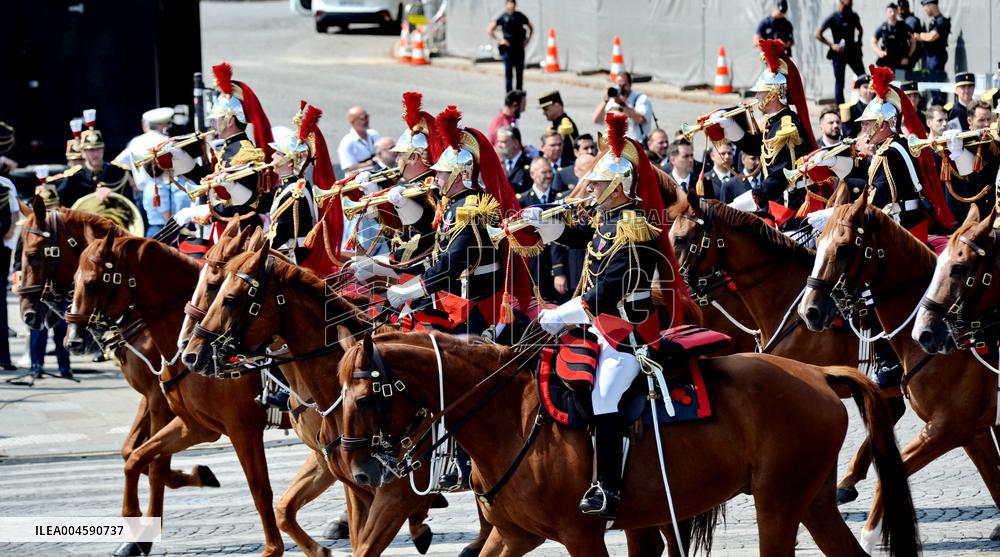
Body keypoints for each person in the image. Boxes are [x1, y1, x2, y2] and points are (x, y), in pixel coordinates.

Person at [525, 112, 691, 519]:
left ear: (618, 188)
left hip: (628, 335)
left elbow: (606, 293)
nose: (591, 189)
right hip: (600, 326)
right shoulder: (610, 219)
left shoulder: (635, 230)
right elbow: (582, 236)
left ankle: (608, 488)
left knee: (605, 394)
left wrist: (558, 314)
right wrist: (545, 227)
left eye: (599, 184)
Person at [384, 105, 528, 341]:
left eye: (441, 173)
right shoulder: (452, 204)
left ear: (458, 176)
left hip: (477, 308)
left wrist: (411, 288)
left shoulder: (473, 209)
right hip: (452, 300)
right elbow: (432, 247)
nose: (436, 177)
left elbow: (452, 262)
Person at [710, 39, 817, 222]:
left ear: (773, 95)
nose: (756, 96)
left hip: (793, 206)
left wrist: (743, 202)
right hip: (779, 201)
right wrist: (729, 125)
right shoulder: (773, 122)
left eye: (760, 93)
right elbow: (754, 147)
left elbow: (780, 176)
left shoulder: (787, 127)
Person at [202, 62, 275, 232]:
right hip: (226, 224)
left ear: (231, 120)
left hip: (242, 229)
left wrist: (212, 212)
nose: (213, 123)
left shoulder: (244, 152)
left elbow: (245, 203)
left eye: (217, 118)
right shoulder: (228, 149)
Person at [57, 110, 133, 209]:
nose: (95, 154)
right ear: (83, 153)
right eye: (91, 150)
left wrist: (113, 195)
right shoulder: (74, 177)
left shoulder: (118, 172)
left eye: (98, 149)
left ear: (103, 150)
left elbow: (129, 204)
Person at [939, 100, 998, 223]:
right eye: (981, 120)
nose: (986, 124)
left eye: (988, 119)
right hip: (965, 213)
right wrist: (957, 151)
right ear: (970, 121)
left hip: (989, 211)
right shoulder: (956, 143)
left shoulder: (995, 146)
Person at [517, 157, 564, 301]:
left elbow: (560, 236)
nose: (549, 175)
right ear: (532, 174)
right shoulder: (522, 200)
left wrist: (559, 270)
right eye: (544, 172)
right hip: (532, 267)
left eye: (550, 171)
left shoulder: (559, 198)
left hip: (554, 265)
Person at [816, 0, 865, 105]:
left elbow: (860, 29)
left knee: (863, 78)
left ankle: (866, 104)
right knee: (839, 83)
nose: (850, 7)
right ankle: (840, 109)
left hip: (852, 52)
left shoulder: (853, 15)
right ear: (841, 3)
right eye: (848, 5)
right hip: (838, 54)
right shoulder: (833, 17)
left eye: (851, 5)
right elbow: (818, 34)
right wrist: (832, 45)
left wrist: (859, 41)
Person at [591, 72, 655, 143]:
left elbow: (640, 120)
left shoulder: (640, 99)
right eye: (618, 85)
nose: (621, 88)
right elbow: (596, 120)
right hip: (616, 144)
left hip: (636, 144)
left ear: (630, 84)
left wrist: (622, 104)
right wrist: (606, 99)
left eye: (624, 85)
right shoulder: (612, 100)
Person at [487, 0, 532, 93]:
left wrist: (527, 40)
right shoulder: (503, 17)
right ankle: (509, 96)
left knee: (519, 73)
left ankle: (519, 95)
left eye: (512, 4)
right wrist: (500, 40)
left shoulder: (519, 16)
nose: (511, 6)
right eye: (509, 4)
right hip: (508, 48)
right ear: (506, 5)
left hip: (519, 47)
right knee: (509, 74)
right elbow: (490, 29)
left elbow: (531, 27)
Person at [916, 0, 950, 102]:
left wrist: (919, 36)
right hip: (931, 56)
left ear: (931, 6)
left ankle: (939, 103)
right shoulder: (933, 21)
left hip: (936, 56)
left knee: (937, 82)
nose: (925, 11)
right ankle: (936, 102)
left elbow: (932, 36)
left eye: (926, 8)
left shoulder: (941, 21)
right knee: (932, 82)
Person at [538, 91, 579, 168]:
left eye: (546, 109)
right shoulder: (556, 124)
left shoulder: (565, 123)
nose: (544, 113)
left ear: (557, 105)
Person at [337, 106, 380, 174]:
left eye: (367, 117)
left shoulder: (374, 134)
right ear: (353, 121)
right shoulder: (347, 142)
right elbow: (348, 168)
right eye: (363, 118)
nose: (367, 121)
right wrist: (369, 164)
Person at [871, 3, 914, 71]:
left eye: (894, 11)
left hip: (901, 61)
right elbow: (873, 42)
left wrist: (907, 57)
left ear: (897, 12)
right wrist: (879, 52)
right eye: (890, 11)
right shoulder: (882, 28)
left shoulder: (904, 27)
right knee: (886, 80)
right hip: (887, 60)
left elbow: (913, 42)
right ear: (886, 13)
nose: (892, 13)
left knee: (901, 80)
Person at [496, 125, 532, 193]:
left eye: (503, 142)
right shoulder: (496, 164)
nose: (499, 145)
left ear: (515, 143)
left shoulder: (530, 165)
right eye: (498, 141)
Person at [897, 0, 924, 69]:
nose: (899, 12)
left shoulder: (911, 20)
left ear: (907, 8)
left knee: (905, 76)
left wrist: (907, 56)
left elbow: (910, 38)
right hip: (910, 55)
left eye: (902, 9)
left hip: (912, 54)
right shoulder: (906, 20)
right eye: (899, 9)